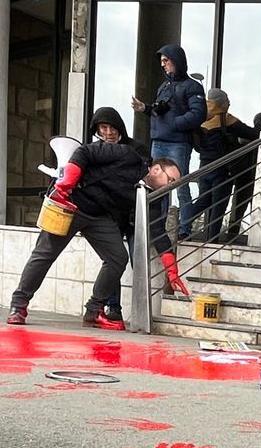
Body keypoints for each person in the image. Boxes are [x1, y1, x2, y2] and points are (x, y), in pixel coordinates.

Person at [7, 146, 181, 327]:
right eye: (171, 180)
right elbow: (84, 153)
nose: (171, 186)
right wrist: (67, 183)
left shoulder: (153, 197)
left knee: (118, 258)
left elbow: (157, 230)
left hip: (99, 216)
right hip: (72, 202)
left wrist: (171, 269)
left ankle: (94, 310)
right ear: (156, 169)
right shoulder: (127, 156)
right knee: (45, 253)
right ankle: (18, 306)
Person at [130, 45, 205, 240]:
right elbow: (159, 111)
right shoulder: (163, 87)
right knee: (156, 186)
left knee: (180, 186)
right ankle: (156, 228)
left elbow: (198, 114)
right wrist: (145, 108)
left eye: (166, 61)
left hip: (178, 143)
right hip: (158, 141)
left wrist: (175, 123)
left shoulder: (193, 86)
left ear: (176, 61)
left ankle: (185, 229)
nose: (163, 65)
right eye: (161, 61)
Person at [89, 107, 150, 324]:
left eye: (111, 127)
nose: (107, 132)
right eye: (102, 128)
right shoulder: (95, 151)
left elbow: (141, 178)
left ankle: (143, 314)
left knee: (138, 262)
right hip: (109, 216)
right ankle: (112, 307)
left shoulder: (137, 149)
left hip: (133, 216)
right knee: (113, 261)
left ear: (119, 127)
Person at [193, 89, 259, 242]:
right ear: (221, 103)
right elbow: (253, 134)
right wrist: (260, 124)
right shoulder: (226, 119)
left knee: (203, 201)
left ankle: (183, 223)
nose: (229, 104)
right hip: (223, 170)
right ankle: (212, 241)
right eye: (227, 101)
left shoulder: (200, 118)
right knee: (218, 207)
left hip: (203, 168)